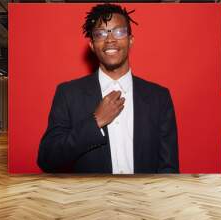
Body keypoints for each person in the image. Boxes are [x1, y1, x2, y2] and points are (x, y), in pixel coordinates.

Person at [37, 3, 179, 174]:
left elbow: (169, 168)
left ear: (130, 40)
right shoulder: (68, 94)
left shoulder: (159, 97)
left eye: (119, 32)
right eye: (100, 33)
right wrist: (95, 122)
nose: (110, 39)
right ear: (92, 45)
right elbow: (47, 159)